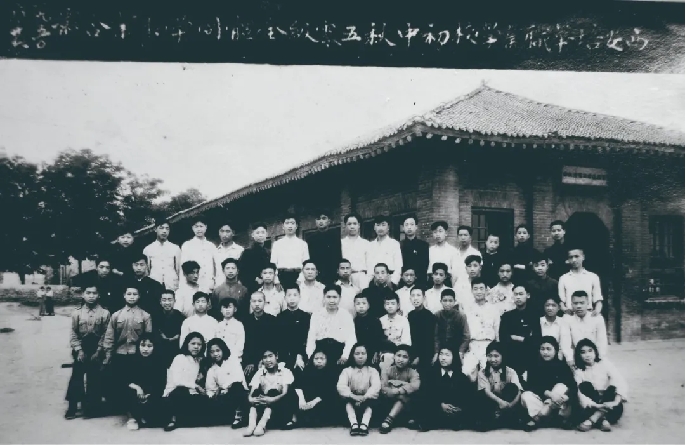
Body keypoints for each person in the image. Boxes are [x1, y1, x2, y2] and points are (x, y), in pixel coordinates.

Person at [103, 286, 153, 411]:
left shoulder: (145, 315)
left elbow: (148, 337)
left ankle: (136, 407)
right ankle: (120, 406)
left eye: (134, 294)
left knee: (136, 380)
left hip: (137, 354)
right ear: (124, 296)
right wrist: (108, 354)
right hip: (120, 353)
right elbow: (109, 336)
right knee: (120, 380)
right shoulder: (116, 315)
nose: (132, 297)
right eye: (129, 294)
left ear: (139, 296)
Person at [65, 284, 110, 420]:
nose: (91, 296)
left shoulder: (105, 313)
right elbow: (73, 333)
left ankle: (91, 406)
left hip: (97, 348)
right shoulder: (77, 313)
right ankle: (72, 407)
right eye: (88, 293)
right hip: (81, 347)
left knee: (94, 377)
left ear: (98, 295)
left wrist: (99, 350)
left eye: (94, 293)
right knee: (77, 376)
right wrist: (78, 350)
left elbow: (106, 333)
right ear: (83, 295)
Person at [521, 336, 577, 431]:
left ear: (555, 350)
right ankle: (549, 417)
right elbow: (532, 386)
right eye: (542, 349)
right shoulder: (534, 366)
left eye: (548, 349)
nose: (545, 352)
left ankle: (539, 417)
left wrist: (566, 397)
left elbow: (573, 386)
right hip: (542, 400)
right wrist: (550, 395)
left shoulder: (562, 366)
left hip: (559, 403)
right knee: (526, 395)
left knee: (561, 386)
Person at [574, 339, 628, 432]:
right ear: (579, 355)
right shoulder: (579, 371)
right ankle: (603, 420)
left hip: (609, 402)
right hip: (592, 405)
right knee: (585, 386)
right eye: (583, 352)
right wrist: (596, 405)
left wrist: (615, 402)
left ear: (595, 351)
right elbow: (579, 393)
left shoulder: (604, 363)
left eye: (590, 351)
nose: (587, 355)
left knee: (612, 388)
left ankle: (594, 419)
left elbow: (620, 381)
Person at [418, 346, 475, 432]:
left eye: (447, 355)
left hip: (454, 410)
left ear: (454, 357)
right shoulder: (430, 374)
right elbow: (426, 393)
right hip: (436, 408)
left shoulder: (461, 376)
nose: (443, 358)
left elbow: (467, 395)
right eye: (441, 354)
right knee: (424, 405)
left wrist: (458, 408)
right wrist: (440, 405)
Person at [244, 347, 297, 437]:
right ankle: (251, 425)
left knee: (274, 392)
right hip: (263, 406)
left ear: (276, 356)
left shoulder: (285, 371)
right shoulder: (259, 372)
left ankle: (261, 425)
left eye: (270, 356)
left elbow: (285, 393)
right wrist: (250, 399)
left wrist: (272, 400)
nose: (268, 360)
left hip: (279, 408)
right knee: (255, 393)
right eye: (265, 357)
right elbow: (252, 391)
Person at [162, 332, 208, 431]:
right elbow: (177, 381)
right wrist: (196, 386)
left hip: (190, 395)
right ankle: (173, 419)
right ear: (187, 344)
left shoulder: (197, 361)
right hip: (173, 395)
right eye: (193, 343)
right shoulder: (180, 358)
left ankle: (186, 419)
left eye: (199, 344)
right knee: (181, 391)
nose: (196, 347)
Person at [475, 341, 523, 431]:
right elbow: (487, 392)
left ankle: (503, 418)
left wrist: (509, 405)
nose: (493, 359)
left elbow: (518, 391)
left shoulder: (510, 371)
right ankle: (494, 419)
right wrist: (500, 403)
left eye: (496, 356)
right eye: (490, 356)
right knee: (480, 395)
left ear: (502, 356)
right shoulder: (483, 372)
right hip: (492, 402)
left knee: (512, 388)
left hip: (507, 402)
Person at [306, 284, 357, 366]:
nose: (332, 300)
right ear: (324, 298)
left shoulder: (346, 315)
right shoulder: (317, 315)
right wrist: (311, 356)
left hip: (339, 352)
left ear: (340, 298)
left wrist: (345, 356)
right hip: (320, 353)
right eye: (328, 297)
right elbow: (311, 338)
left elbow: (351, 338)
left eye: (335, 297)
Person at [336, 343, 381, 437]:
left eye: (363, 353)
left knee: (372, 402)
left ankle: (365, 424)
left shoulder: (372, 371)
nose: (360, 356)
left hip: (367, 399)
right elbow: (341, 386)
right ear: (352, 355)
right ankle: (354, 424)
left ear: (367, 355)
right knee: (346, 402)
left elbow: (376, 386)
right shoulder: (347, 371)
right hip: (352, 399)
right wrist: (353, 396)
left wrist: (364, 397)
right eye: (357, 353)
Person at [124, 333, 166, 430]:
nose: (145, 349)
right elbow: (127, 380)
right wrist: (138, 389)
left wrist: (149, 395)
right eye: (143, 345)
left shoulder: (159, 362)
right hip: (136, 392)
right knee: (127, 392)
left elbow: (161, 383)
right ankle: (132, 418)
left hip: (151, 394)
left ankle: (145, 417)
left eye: (149, 346)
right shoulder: (132, 360)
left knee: (155, 419)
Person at [205, 338, 249, 428]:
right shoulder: (211, 370)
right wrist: (213, 395)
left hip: (239, 394)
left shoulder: (233, 362)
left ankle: (239, 417)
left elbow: (238, 379)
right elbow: (210, 389)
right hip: (224, 397)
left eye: (218, 350)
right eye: (212, 352)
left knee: (237, 387)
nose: (215, 354)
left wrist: (224, 388)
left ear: (223, 350)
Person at [499, 283, 540, 379]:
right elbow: (503, 337)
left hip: (529, 356)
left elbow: (536, 339)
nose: (518, 297)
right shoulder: (507, 316)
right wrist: (525, 338)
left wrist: (516, 337)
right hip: (511, 356)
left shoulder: (534, 315)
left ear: (528, 295)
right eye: (516, 294)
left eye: (521, 294)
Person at [462, 278, 500, 381]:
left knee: (488, 373)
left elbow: (497, 330)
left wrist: (496, 347)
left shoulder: (494, 309)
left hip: (488, 344)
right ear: (471, 290)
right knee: (466, 372)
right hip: (472, 345)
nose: (478, 291)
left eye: (481, 288)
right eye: (475, 289)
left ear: (486, 290)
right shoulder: (467, 308)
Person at [379, 344, 421, 434]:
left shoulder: (412, 372)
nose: (401, 359)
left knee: (403, 397)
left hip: (405, 406)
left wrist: (398, 390)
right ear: (394, 357)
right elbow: (383, 387)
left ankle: (389, 420)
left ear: (409, 359)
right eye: (398, 356)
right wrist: (404, 386)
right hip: (388, 401)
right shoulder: (387, 370)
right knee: (402, 396)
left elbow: (415, 385)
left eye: (405, 357)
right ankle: (392, 418)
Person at [293, 348, 341, 427]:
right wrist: (302, 400)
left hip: (321, 401)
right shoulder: (307, 370)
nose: (319, 361)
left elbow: (330, 391)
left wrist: (314, 402)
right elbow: (298, 385)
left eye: (322, 358)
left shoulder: (332, 372)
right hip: (307, 401)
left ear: (327, 360)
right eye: (316, 358)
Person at [562, 291, 609, 366]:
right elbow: (565, 341)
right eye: (575, 303)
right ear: (571, 304)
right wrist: (569, 359)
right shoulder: (567, 319)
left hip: (594, 357)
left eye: (582, 303)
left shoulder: (597, 318)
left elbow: (602, 341)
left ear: (588, 303)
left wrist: (600, 358)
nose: (578, 306)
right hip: (576, 358)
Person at [242, 291, 278, 382]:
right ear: (250, 302)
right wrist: (250, 362)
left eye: (260, 301)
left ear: (265, 302)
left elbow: (274, 343)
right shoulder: (245, 321)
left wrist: (264, 359)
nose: (257, 304)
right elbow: (245, 344)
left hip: (267, 358)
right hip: (249, 361)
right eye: (254, 301)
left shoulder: (272, 321)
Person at [276, 284, 311, 373]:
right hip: (284, 356)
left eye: (295, 295)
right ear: (285, 298)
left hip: (301, 355)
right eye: (289, 295)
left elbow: (305, 339)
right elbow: (279, 340)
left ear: (299, 297)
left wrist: (300, 356)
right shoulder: (280, 317)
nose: (292, 298)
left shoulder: (306, 317)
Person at [558, 247, 604, 316]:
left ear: (583, 257)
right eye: (571, 257)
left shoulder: (593, 277)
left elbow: (598, 299)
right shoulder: (563, 278)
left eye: (576, 256)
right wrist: (564, 309)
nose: (574, 260)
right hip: (571, 315)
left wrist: (597, 311)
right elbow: (561, 301)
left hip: (588, 314)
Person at [433, 289, 470, 367]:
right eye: (445, 301)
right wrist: (436, 352)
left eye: (450, 301)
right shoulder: (437, 315)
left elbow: (466, 336)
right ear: (441, 301)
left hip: (456, 349)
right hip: (441, 349)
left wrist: (461, 352)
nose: (447, 303)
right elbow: (435, 336)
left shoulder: (461, 316)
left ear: (454, 301)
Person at [271, 215, 310, 287]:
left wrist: (301, 279)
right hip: (281, 276)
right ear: (283, 226)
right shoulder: (277, 244)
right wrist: (276, 280)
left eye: (292, 223)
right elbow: (273, 263)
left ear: (296, 226)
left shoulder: (303, 244)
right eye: (287, 223)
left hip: (298, 276)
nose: (290, 226)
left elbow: (306, 263)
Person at [180, 219, 218, 293]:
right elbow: (183, 267)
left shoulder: (211, 246)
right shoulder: (187, 245)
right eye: (196, 227)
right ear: (192, 228)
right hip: (193, 284)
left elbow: (216, 266)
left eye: (201, 226)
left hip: (209, 283)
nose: (199, 229)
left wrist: (215, 282)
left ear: (206, 227)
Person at [407, 286, 436, 378]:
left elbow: (429, 341)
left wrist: (419, 357)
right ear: (410, 299)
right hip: (411, 353)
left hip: (425, 355)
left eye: (418, 295)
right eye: (413, 296)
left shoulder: (429, 316)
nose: (415, 298)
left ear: (424, 298)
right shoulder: (410, 315)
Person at [307, 210, 343, 285]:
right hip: (316, 275)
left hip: (332, 275)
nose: (321, 221)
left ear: (329, 221)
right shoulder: (311, 239)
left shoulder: (335, 237)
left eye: (324, 218)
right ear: (315, 221)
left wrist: (337, 275)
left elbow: (338, 256)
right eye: (318, 219)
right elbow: (309, 258)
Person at [143, 221, 181, 291]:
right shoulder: (148, 249)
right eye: (161, 228)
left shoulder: (175, 248)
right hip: (154, 283)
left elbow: (178, 269)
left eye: (167, 228)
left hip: (171, 284)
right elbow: (146, 270)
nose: (164, 231)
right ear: (155, 229)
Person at [379, 294, 412, 371]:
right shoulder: (381, 320)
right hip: (384, 353)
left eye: (393, 304)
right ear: (384, 306)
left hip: (399, 353)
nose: (390, 306)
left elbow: (406, 342)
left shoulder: (403, 320)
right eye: (387, 304)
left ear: (398, 306)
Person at [367, 215, 403, 286]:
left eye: (383, 225)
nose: (380, 228)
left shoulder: (394, 244)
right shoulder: (370, 245)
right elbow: (369, 266)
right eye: (378, 225)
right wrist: (370, 282)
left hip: (390, 279)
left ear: (388, 227)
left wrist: (392, 282)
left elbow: (398, 266)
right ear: (374, 227)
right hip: (374, 280)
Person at [127, 254, 165, 319]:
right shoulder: (126, 284)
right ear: (132, 266)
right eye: (136, 265)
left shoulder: (155, 285)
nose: (139, 268)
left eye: (142, 265)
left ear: (147, 266)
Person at [532, 296, 571, 362]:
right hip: (541, 357)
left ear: (559, 308)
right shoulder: (538, 321)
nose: (550, 308)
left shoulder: (563, 322)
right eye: (547, 305)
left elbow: (565, 343)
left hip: (558, 358)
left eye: (553, 305)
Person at [154, 289, 186, 368]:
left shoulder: (181, 317)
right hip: (159, 350)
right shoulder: (155, 316)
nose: (167, 303)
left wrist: (177, 336)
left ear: (174, 301)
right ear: (160, 302)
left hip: (176, 350)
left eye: (170, 300)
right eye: (164, 300)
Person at [352, 293, 385, 366]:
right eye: (358, 304)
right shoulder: (354, 321)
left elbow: (379, 338)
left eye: (364, 303)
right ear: (354, 306)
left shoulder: (375, 320)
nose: (361, 306)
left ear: (368, 305)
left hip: (371, 351)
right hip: (357, 352)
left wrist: (376, 352)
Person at [239, 223, 272, 294]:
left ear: (266, 234)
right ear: (252, 235)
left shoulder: (268, 252)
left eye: (263, 232)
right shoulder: (247, 253)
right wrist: (255, 279)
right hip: (253, 288)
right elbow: (242, 273)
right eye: (257, 233)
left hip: (268, 286)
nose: (260, 235)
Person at [341, 213, 371, 290]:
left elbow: (370, 264)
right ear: (345, 226)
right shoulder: (341, 243)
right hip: (345, 277)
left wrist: (367, 279)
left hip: (362, 276)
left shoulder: (366, 243)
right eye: (349, 224)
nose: (352, 226)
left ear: (359, 225)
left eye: (355, 224)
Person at [399, 216, 429, 288]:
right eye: (406, 225)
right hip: (403, 282)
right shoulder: (399, 245)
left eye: (412, 224)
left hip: (419, 282)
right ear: (403, 228)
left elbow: (424, 266)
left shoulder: (423, 245)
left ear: (416, 227)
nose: (409, 227)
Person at [526, 252, 559, 317]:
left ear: (547, 266)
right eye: (536, 265)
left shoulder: (554, 283)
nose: (540, 268)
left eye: (543, 265)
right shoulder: (529, 284)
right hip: (533, 314)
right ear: (532, 267)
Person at [214, 297, 245, 364]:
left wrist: (232, 357)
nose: (227, 310)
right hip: (219, 359)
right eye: (224, 307)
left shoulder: (238, 325)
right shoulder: (218, 325)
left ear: (235, 309)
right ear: (221, 310)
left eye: (230, 307)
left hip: (234, 359)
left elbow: (240, 345)